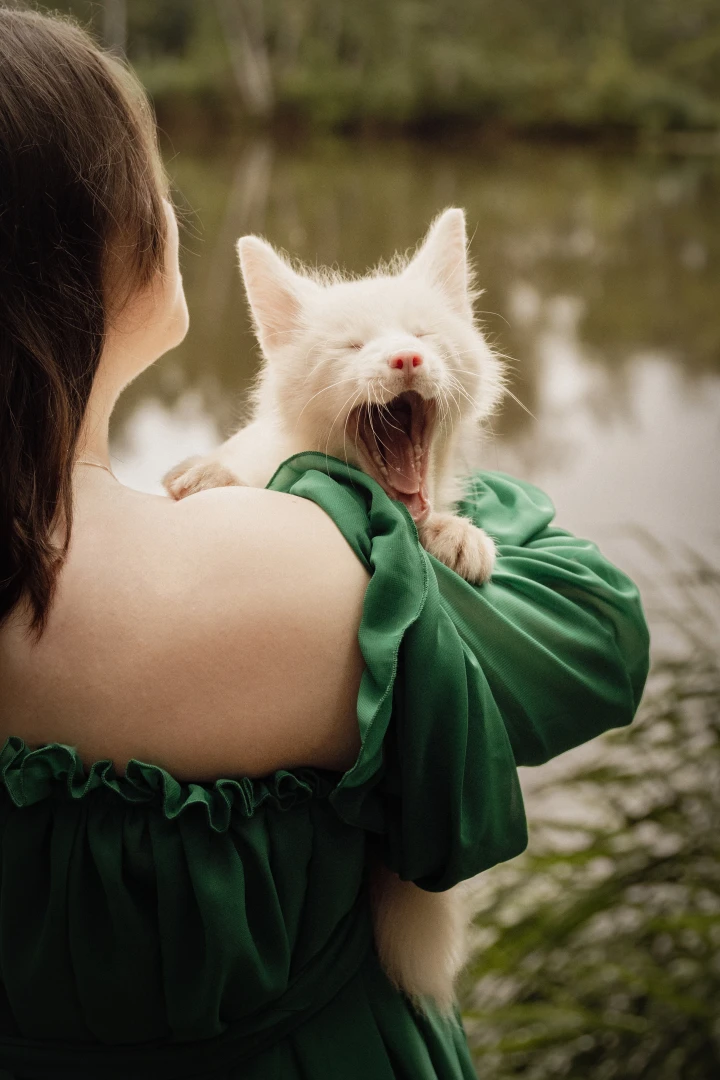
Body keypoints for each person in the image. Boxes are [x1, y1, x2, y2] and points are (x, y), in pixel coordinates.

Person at [0, 7, 650, 1079]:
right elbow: (599, 634)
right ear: (90, 241)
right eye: (148, 176)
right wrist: (345, 486)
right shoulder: (295, 562)